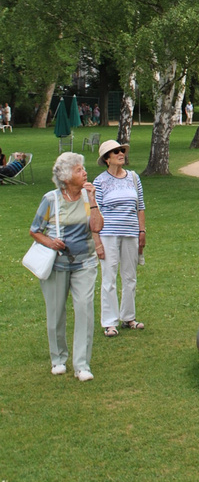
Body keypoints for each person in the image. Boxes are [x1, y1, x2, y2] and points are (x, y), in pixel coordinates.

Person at [28, 153, 103, 380]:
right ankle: (58, 358)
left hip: (85, 263)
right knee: (56, 313)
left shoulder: (88, 198)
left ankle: (82, 365)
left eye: (83, 169)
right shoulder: (50, 199)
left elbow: (97, 227)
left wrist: (93, 200)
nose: (85, 173)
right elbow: (35, 230)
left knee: (84, 311)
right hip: (57, 265)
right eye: (80, 170)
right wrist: (51, 242)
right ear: (66, 176)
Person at [93, 140, 146, 337]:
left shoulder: (133, 178)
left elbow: (140, 206)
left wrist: (142, 231)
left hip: (131, 232)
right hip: (109, 234)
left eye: (121, 150)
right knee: (109, 277)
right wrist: (97, 240)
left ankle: (128, 317)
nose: (121, 153)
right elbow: (95, 213)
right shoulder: (99, 182)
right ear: (107, 159)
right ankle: (109, 322)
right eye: (115, 152)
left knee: (130, 276)